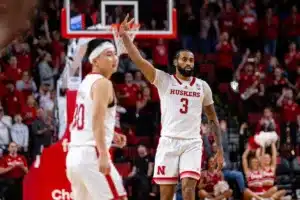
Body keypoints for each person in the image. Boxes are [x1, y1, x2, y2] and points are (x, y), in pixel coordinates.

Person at [120, 15, 223, 200]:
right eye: (184, 59)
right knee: (166, 195)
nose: (188, 63)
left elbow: (213, 119)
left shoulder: (202, 86)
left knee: (188, 188)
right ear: (176, 62)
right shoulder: (164, 80)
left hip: (192, 142)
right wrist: (125, 38)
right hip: (168, 142)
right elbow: (140, 61)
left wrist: (219, 151)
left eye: (191, 60)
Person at [65, 39, 128, 200]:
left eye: (115, 54)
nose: (114, 59)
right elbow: (96, 120)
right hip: (91, 155)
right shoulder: (103, 83)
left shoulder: (86, 82)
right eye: (108, 54)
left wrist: (111, 133)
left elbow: (86, 118)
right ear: (95, 60)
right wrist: (103, 154)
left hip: (74, 157)